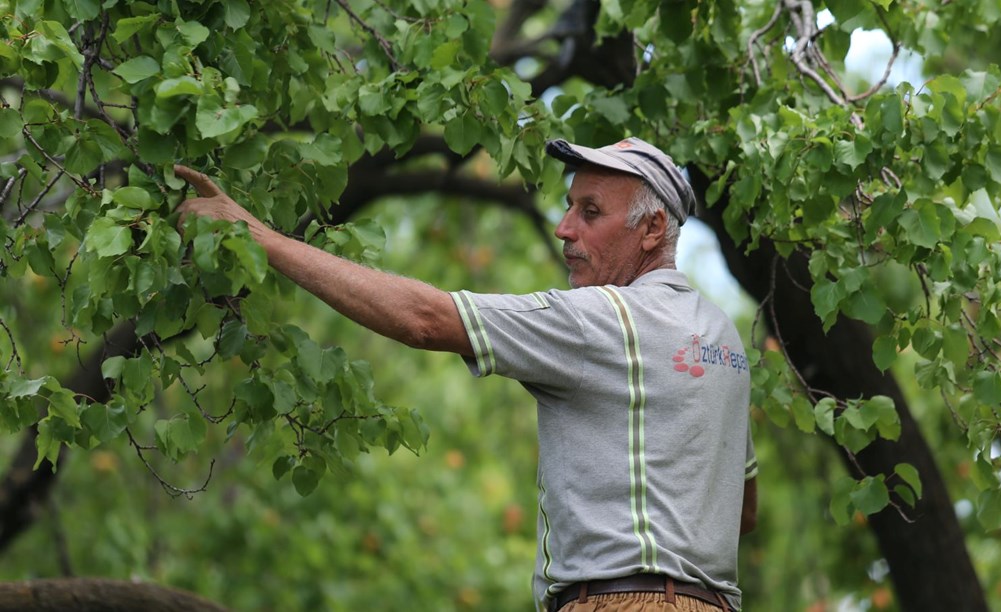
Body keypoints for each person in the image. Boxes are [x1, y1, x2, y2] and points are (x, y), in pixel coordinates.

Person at [174, 136, 757, 612]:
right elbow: (743, 511)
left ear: (653, 230)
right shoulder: (723, 339)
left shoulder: (603, 318)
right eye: (569, 205)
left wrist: (259, 235)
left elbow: (425, 319)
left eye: (591, 212)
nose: (563, 228)